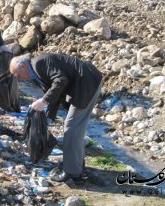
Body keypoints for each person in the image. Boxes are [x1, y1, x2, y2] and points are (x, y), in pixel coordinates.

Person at [9, 53, 103, 182]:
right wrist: (48, 118)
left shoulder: (39, 64)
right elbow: (56, 94)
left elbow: (61, 80)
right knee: (75, 128)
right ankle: (76, 164)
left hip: (87, 82)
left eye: (18, 75)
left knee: (72, 128)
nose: (19, 79)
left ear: (23, 66)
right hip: (84, 82)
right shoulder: (36, 72)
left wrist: (43, 101)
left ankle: (72, 172)